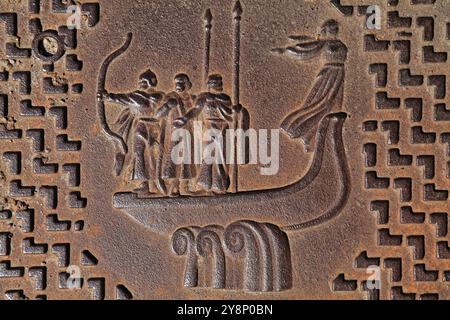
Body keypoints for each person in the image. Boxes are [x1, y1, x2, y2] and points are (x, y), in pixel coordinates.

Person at [273, 19, 347, 151]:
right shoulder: (323, 44)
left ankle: (312, 138)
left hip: (339, 75)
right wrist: (285, 51)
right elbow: (304, 49)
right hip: (328, 76)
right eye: (332, 28)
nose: (335, 30)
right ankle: (299, 130)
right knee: (321, 104)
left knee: (334, 107)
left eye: (335, 28)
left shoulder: (339, 43)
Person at [99, 69, 166, 195]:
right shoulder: (159, 96)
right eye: (140, 81)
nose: (140, 83)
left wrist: (107, 97)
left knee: (141, 154)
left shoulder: (141, 97)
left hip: (144, 126)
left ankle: (147, 184)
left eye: (143, 81)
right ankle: (147, 184)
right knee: (148, 155)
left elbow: (124, 99)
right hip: (154, 127)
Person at [174, 74, 233, 194]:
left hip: (222, 129)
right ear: (209, 85)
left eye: (218, 84)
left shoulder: (225, 98)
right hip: (209, 128)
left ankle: (219, 185)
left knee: (220, 158)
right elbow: (196, 110)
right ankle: (204, 184)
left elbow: (229, 114)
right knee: (208, 156)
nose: (216, 86)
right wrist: (185, 118)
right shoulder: (204, 97)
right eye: (213, 84)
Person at [157, 74, 197, 196]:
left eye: (182, 83)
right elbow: (158, 114)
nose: (179, 86)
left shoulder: (192, 99)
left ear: (188, 85)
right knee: (173, 160)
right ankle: (173, 187)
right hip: (173, 134)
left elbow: (197, 114)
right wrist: (168, 105)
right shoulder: (170, 98)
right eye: (177, 83)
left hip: (188, 133)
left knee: (186, 160)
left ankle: (185, 186)